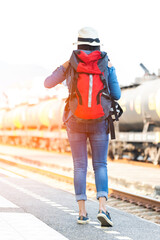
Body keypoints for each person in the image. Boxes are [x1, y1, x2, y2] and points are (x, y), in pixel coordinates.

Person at [44, 27, 121, 226]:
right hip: (99, 121)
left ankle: (82, 213)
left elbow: (48, 83)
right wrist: (111, 70)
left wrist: (64, 66)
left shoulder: (71, 62)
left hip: (75, 120)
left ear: (78, 44)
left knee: (80, 165)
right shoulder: (105, 62)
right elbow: (117, 94)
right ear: (97, 44)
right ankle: (103, 209)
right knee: (100, 165)